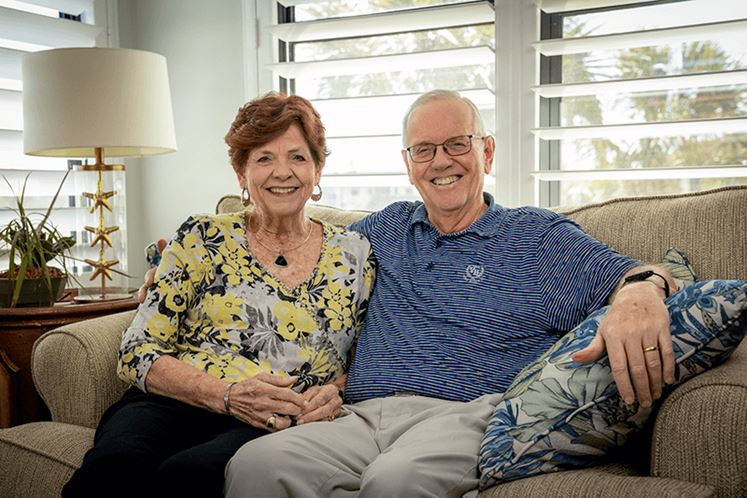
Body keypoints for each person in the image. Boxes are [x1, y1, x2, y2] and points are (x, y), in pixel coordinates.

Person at [222, 90, 675, 498]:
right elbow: (295, 267)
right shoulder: (382, 230)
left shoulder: (535, 238)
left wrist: (640, 296)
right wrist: (178, 275)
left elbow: (634, 275)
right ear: (409, 164)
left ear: (487, 152)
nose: (441, 161)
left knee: (394, 481)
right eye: (424, 150)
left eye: (457, 144)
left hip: (463, 417)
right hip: (358, 418)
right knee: (257, 464)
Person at [62, 93, 375, 498]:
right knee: (113, 468)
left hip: (272, 422)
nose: (283, 172)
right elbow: (137, 351)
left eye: (298, 157)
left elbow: (371, 357)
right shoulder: (201, 236)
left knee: (189, 475)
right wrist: (226, 395)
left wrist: (335, 391)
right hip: (173, 402)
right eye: (264, 158)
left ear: (318, 169)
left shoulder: (356, 254)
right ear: (241, 173)